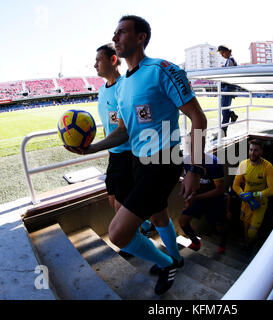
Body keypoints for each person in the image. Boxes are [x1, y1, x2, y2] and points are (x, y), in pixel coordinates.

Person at [65, 15, 207, 295]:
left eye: (121, 32)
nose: (115, 38)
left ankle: (168, 263)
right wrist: (91, 148)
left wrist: (194, 169)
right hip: (138, 162)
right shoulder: (125, 84)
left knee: (118, 233)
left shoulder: (163, 70)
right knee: (156, 215)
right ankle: (173, 259)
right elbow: (125, 131)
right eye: (114, 33)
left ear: (141, 37)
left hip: (164, 161)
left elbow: (198, 119)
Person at [94, 43, 133, 214]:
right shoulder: (102, 90)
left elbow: (125, 127)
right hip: (114, 155)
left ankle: (137, 234)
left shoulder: (125, 86)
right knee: (112, 202)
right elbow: (106, 124)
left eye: (99, 60)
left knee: (121, 207)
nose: (95, 65)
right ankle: (144, 227)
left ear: (113, 60)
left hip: (129, 154)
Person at [178, 152, 228, 254]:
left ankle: (223, 243)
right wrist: (188, 198)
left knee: (220, 225)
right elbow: (189, 182)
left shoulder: (214, 163)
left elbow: (220, 190)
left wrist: (196, 197)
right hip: (197, 198)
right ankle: (196, 242)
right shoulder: (187, 160)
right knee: (183, 221)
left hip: (215, 199)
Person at [232, 139, 273, 248]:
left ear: (261, 152)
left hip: (259, 203)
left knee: (252, 232)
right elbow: (235, 185)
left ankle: (254, 243)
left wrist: (254, 195)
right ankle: (248, 244)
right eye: (251, 150)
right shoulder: (243, 164)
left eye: (256, 150)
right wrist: (243, 195)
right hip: (246, 202)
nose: (252, 153)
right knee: (245, 227)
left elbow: (272, 190)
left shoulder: (267, 166)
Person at [217, 45, 239, 137]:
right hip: (231, 88)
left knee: (224, 110)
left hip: (228, 87)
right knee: (225, 109)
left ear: (227, 51)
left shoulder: (230, 60)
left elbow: (228, 75)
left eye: (223, 53)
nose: (222, 55)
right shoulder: (231, 60)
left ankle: (223, 131)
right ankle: (231, 115)